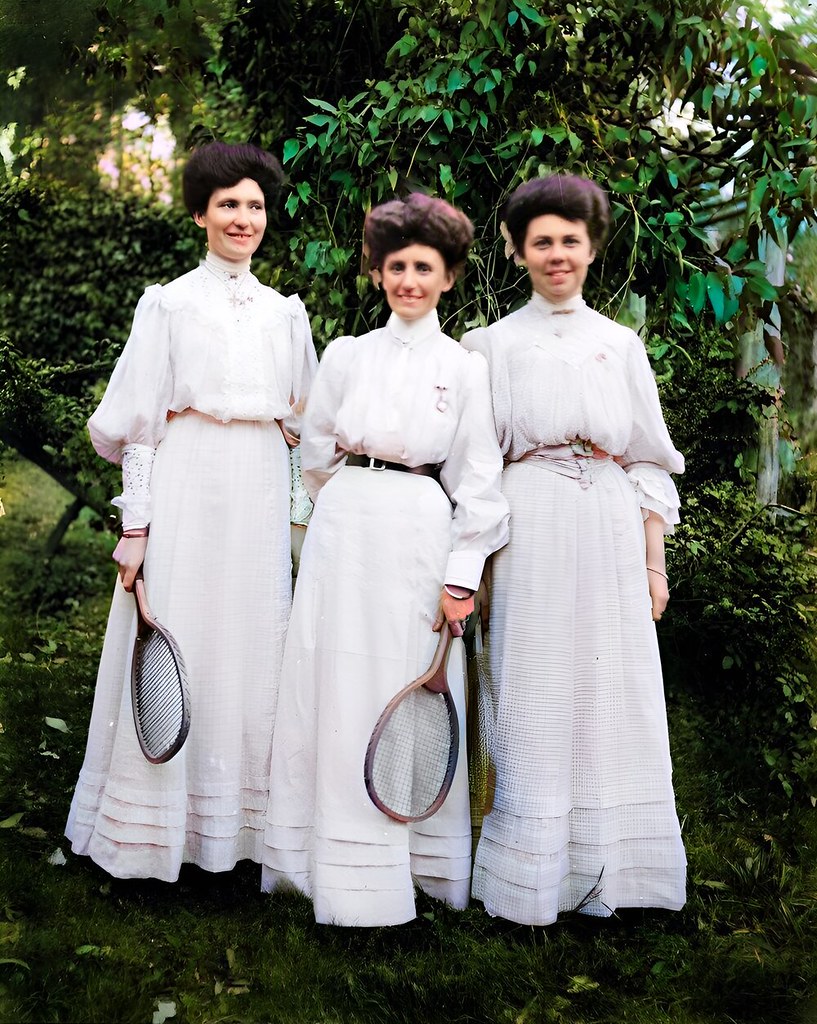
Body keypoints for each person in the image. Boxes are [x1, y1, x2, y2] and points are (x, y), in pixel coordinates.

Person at [65, 141, 318, 880]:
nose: (243, 218)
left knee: (251, 641)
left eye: (255, 206)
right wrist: (135, 527)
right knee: (179, 629)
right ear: (201, 213)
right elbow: (142, 421)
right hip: (188, 479)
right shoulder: (168, 303)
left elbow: (303, 427)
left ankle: (235, 832)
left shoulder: (285, 315)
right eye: (228, 204)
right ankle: (152, 831)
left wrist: (301, 516)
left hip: (260, 485)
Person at [261, 193, 510, 926]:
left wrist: (460, 577)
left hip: (419, 528)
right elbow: (314, 454)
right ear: (376, 272)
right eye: (395, 265)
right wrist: (349, 506)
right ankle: (324, 862)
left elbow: (478, 477)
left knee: (402, 672)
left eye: (423, 267)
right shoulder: (346, 355)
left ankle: (413, 867)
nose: (408, 280)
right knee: (334, 675)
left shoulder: (463, 369)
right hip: (347, 526)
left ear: (448, 276)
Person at [461, 174, 686, 925]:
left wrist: (653, 562)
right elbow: (477, 467)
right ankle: (532, 878)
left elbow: (649, 458)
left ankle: (612, 871)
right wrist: (481, 564)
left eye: (570, 241)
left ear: (591, 248)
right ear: (517, 249)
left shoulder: (619, 345)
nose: (557, 255)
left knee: (608, 693)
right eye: (541, 242)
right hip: (530, 527)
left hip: (610, 530)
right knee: (532, 687)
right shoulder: (489, 346)